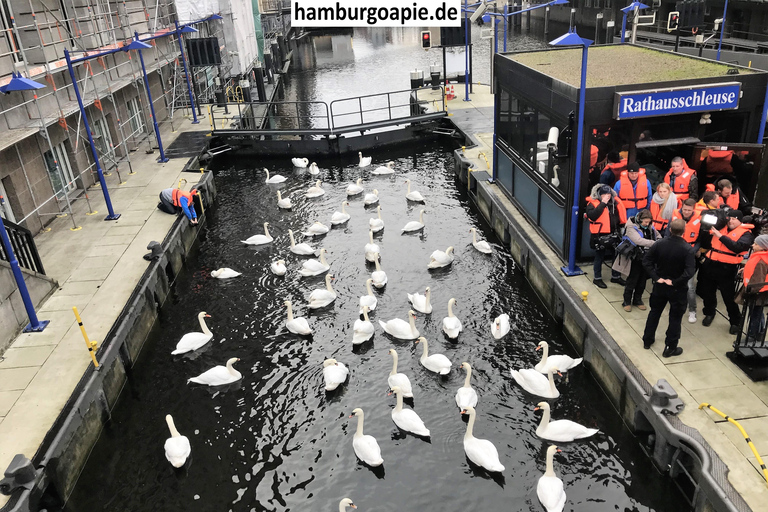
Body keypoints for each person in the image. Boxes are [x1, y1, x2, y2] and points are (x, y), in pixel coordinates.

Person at [642, 219, 696, 357]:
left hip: (660, 285)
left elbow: (646, 261)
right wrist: (675, 282)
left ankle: (647, 340)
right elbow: (689, 272)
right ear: (684, 231)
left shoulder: (659, 244)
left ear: (670, 229)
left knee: (654, 312)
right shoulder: (687, 249)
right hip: (677, 288)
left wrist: (656, 277)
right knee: (675, 318)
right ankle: (670, 347)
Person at [697, 210, 755, 333]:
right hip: (710, 263)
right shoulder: (720, 227)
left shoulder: (746, 234)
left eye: (734, 219)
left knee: (728, 296)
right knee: (708, 292)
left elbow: (738, 247)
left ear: (740, 220)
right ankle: (709, 313)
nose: (731, 221)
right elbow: (705, 238)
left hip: (727, 268)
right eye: (730, 219)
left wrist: (721, 236)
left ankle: (735, 321)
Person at [613, 209, 660, 311]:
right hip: (635, 258)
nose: (647, 224)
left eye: (648, 222)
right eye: (645, 222)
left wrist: (659, 240)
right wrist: (655, 243)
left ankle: (637, 300)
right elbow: (638, 240)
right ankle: (626, 301)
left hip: (646, 258)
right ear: (639, 219)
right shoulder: (631, 227)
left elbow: (657, 235)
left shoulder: (650, 226)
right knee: (632, 280)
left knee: (642, 281)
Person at [586, 184, 627, 289]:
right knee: (599, 256)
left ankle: (616, 276)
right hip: (600, 234)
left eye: (608, 194)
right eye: (604, 194)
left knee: (617, 255)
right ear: (599, 195)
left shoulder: (615, 202)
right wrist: (603, 203)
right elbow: (592, 216)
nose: (606, 196)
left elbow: (619, 216)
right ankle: (597, 278)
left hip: (614, 233)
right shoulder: (592, 204)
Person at [669, 199, 702, 323]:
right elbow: (668, 233)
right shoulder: (675, 216)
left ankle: (692, 310)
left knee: (689, 286)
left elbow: (700, 240)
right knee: (671, 281)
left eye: (689, 210)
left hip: (689, 254)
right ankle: (673, 304)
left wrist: (693, 251)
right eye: (684, 209)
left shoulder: (700, 219)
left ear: (693, 209)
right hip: (675, 253)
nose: (686, 212)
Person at [738, 235, 768, 342]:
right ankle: (760, 332)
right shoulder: (761, 256)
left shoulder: (761, 260)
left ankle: (752, 335)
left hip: (757, 292)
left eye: (756, 244)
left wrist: (750, 292)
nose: (752, 245)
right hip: (760, 292)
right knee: (758, 313)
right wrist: (745, 269)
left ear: (763, 247)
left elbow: (758, 278)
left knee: (755, 314)